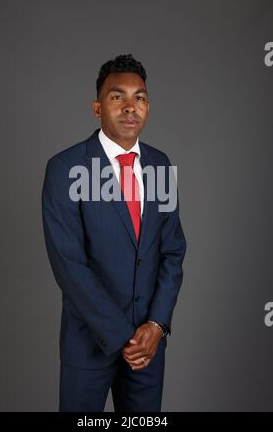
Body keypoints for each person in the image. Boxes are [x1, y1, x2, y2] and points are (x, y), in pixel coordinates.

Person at [41, 53, 187, 412]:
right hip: (90, 344)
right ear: (97, 107)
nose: (130, 107)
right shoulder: (65, 168)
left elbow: (172, 251)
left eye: (140, 97)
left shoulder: (161, 165)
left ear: (148, 106)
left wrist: (155, 326)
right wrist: (126, 337)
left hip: (149, 350)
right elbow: (69, 266)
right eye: (117, 96)